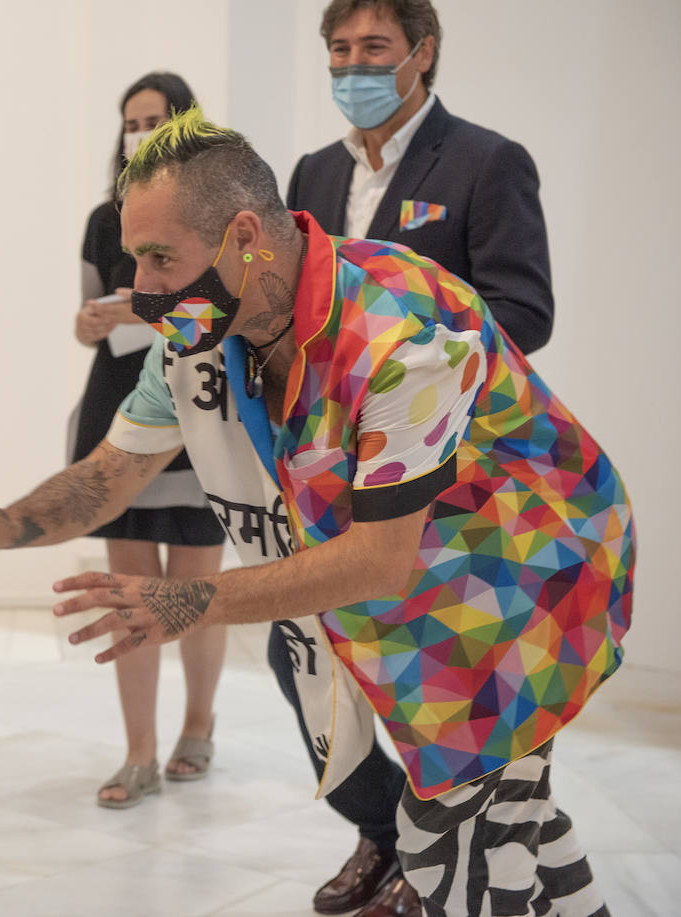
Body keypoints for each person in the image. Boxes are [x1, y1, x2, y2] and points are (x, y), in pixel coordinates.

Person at [0, 109, 631, 917]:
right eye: (134, 259)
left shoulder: (402, 331)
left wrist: (191, 600)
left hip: (524, 584)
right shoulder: (198, 332)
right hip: (417, 590)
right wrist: (5, 520)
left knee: (450, 853)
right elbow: (114, 471)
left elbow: (377, 558)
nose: (141, 289)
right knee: (514, 818)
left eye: (158, 259)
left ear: (244, 237)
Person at [285, 2, 556, 911]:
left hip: (461, 478)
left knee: (443, 675)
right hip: (335, 475)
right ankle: (382, 833)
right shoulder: (313, 172)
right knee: (340, 668)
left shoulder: (486, 161)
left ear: (422, 53)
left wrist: (419, 368)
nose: (353, 66)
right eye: (339, 50)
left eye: (374, 49)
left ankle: (443, 856)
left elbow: (524, 309)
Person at [72, 71, 227, 809]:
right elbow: (86, 316)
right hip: (117, 410)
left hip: (197, 415)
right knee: (129, 592)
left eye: (152, 120)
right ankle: (138, 752)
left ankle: (198, 725)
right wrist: (91, 321)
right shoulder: (105, 220)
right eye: (129, 121)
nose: (138, 132)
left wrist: (151, 305)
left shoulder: (217, 213)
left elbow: (221, 308)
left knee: (193, 590)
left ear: (183, 125)